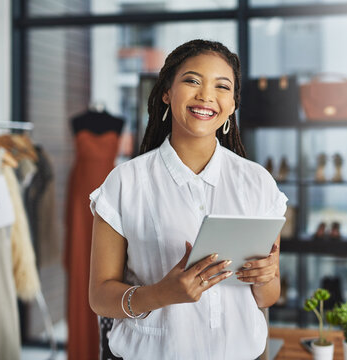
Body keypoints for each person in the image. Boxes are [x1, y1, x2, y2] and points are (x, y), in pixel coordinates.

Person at [88, 39, 288, 359]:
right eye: (192, 80)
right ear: (167, 92)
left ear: (233, 104)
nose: (206, 96)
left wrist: (265, 278)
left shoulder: (258, 183)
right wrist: (159, 295)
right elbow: (99, 296)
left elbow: (267, 297)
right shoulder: (125, 183)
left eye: (222, 87)